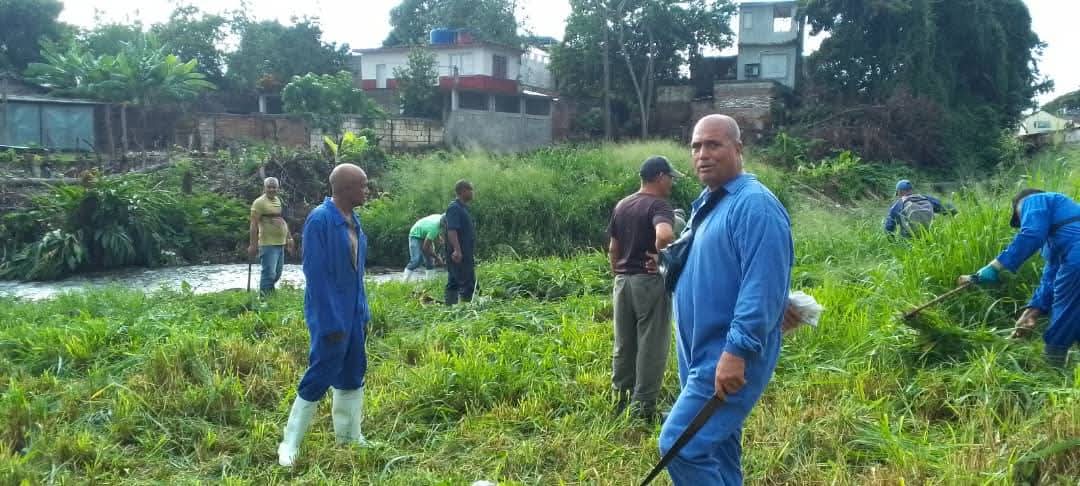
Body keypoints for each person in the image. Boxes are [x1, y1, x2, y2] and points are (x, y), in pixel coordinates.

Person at [658, 114, 793, 485]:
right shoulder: (712, 202)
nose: (703, 154)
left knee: (678, 444)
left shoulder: (755, 205)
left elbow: (761, 284)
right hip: (698, 352)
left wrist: (737, 351)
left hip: (725, 356)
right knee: (717, 446)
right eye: (696, 146)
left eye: (713, 145)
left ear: (738, 149)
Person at [277, 164, 372, 467]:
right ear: (346, 189)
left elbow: (358, 276)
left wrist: (363, 313)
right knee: (321, 372)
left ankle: (349, 437)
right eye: (363, 186)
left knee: (353, 372)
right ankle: (290, 443)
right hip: (330, 315)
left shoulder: (354, 222)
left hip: (354, 313)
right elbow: (316, 276)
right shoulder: (320, 221)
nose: (367, 191)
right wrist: (331, 322)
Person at [960, 188, 1080, 367]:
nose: (1024, 219)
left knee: (1064, 308)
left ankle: (1052, 369)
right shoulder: (1061, 233)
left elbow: (1031, 234)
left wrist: (994, 267)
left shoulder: (1034, 199)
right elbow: (1051, 278)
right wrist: (1031, 312)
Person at [608, 155, 681, 421]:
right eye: (670, 178)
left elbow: (613, 248)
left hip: (622, 282)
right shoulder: (659, 205)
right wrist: (660, 257)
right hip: (648, 282)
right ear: (660, 176)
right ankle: (643, 407)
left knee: (624, 343)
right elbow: (665, 235)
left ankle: (620, 399)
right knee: (652, 345)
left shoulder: (622, 205)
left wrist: (618, 273)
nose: (671, 183)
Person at [248, 177, 295, 295]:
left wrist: (289, 237)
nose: (271, 189)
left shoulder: (278, 200)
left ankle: (269, 294)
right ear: (264, 188)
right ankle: (264, 299)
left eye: (274, 187)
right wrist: (253, 245)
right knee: (269, 273)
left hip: (280, 243)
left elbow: (281, 220)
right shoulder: (259, 203)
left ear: (278, 188)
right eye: (269, 187)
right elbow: (253, 225)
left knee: (277, 273)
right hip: (267, 243)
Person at [883, 179, 956, 237]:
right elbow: (949, 208)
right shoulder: (926, 198)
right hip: (930, 237)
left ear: (899, 192)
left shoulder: (897, 205)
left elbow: (888, 228)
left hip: (909, 241)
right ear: (911, 190)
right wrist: (956, 218)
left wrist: (893, 243)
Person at [444, 180, 476, 305]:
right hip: (458, 252)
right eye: (471, 190)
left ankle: (454, 307)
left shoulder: (463, 208)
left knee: (459, 279)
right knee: (461, 281)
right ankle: (461, 308)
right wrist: (457, 250)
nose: (473, 193)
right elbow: (452, 230)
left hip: (465, 251)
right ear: (463, 191)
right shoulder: (454, 208)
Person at [404, 213, 444, 281]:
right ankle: (404, 282)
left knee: (430, 261)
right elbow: (425, 248)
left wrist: (439, 237)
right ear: (444, 224)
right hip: (415, 235)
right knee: (416, 260)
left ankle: (429, 282)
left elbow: (432, 228)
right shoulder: (434, 229)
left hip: (425, 232)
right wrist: (437, 258)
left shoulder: (442, 218)